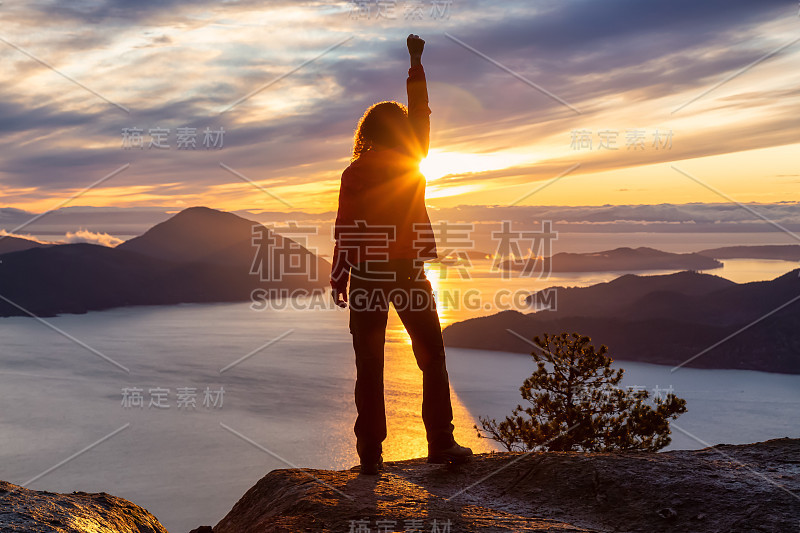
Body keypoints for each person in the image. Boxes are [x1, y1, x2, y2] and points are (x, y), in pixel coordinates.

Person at [330, 34, 473, 475]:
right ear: (403, 131)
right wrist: (415, 63)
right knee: (432, 357)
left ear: (367, 134)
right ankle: (441, 443)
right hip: (409, 274)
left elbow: (345, 230)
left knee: (369, 366)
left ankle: (370, 456)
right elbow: (423, 113)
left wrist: (339, 278)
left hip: (367, 277)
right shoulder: (414, 159)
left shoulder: (354, 172)